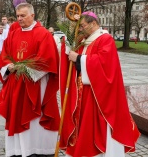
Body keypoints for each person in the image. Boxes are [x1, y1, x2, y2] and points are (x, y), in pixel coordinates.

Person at [59, 11, 140, 157]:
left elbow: (104, 64)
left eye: (83, 25)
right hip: (83, 93)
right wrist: (72, 28)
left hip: (99, 96)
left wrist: (79, 59)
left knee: (97, 129)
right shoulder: (84, 40)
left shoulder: (105, 39)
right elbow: (68, 48)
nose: (81, 29)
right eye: (80, 26)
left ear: (94, 23)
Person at [0, 3, 60, 157]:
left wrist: (25, 69)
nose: (19, 19)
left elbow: (47, 59)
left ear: (32, 15)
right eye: (17, 16)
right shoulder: (14, 34)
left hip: (35, 84)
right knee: (17, 115)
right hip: (16, 84)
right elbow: (4, 55)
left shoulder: (43, 34)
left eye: (23, 15)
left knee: (34, 118)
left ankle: (38, 149)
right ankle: (19, 150)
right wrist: (9, 66)